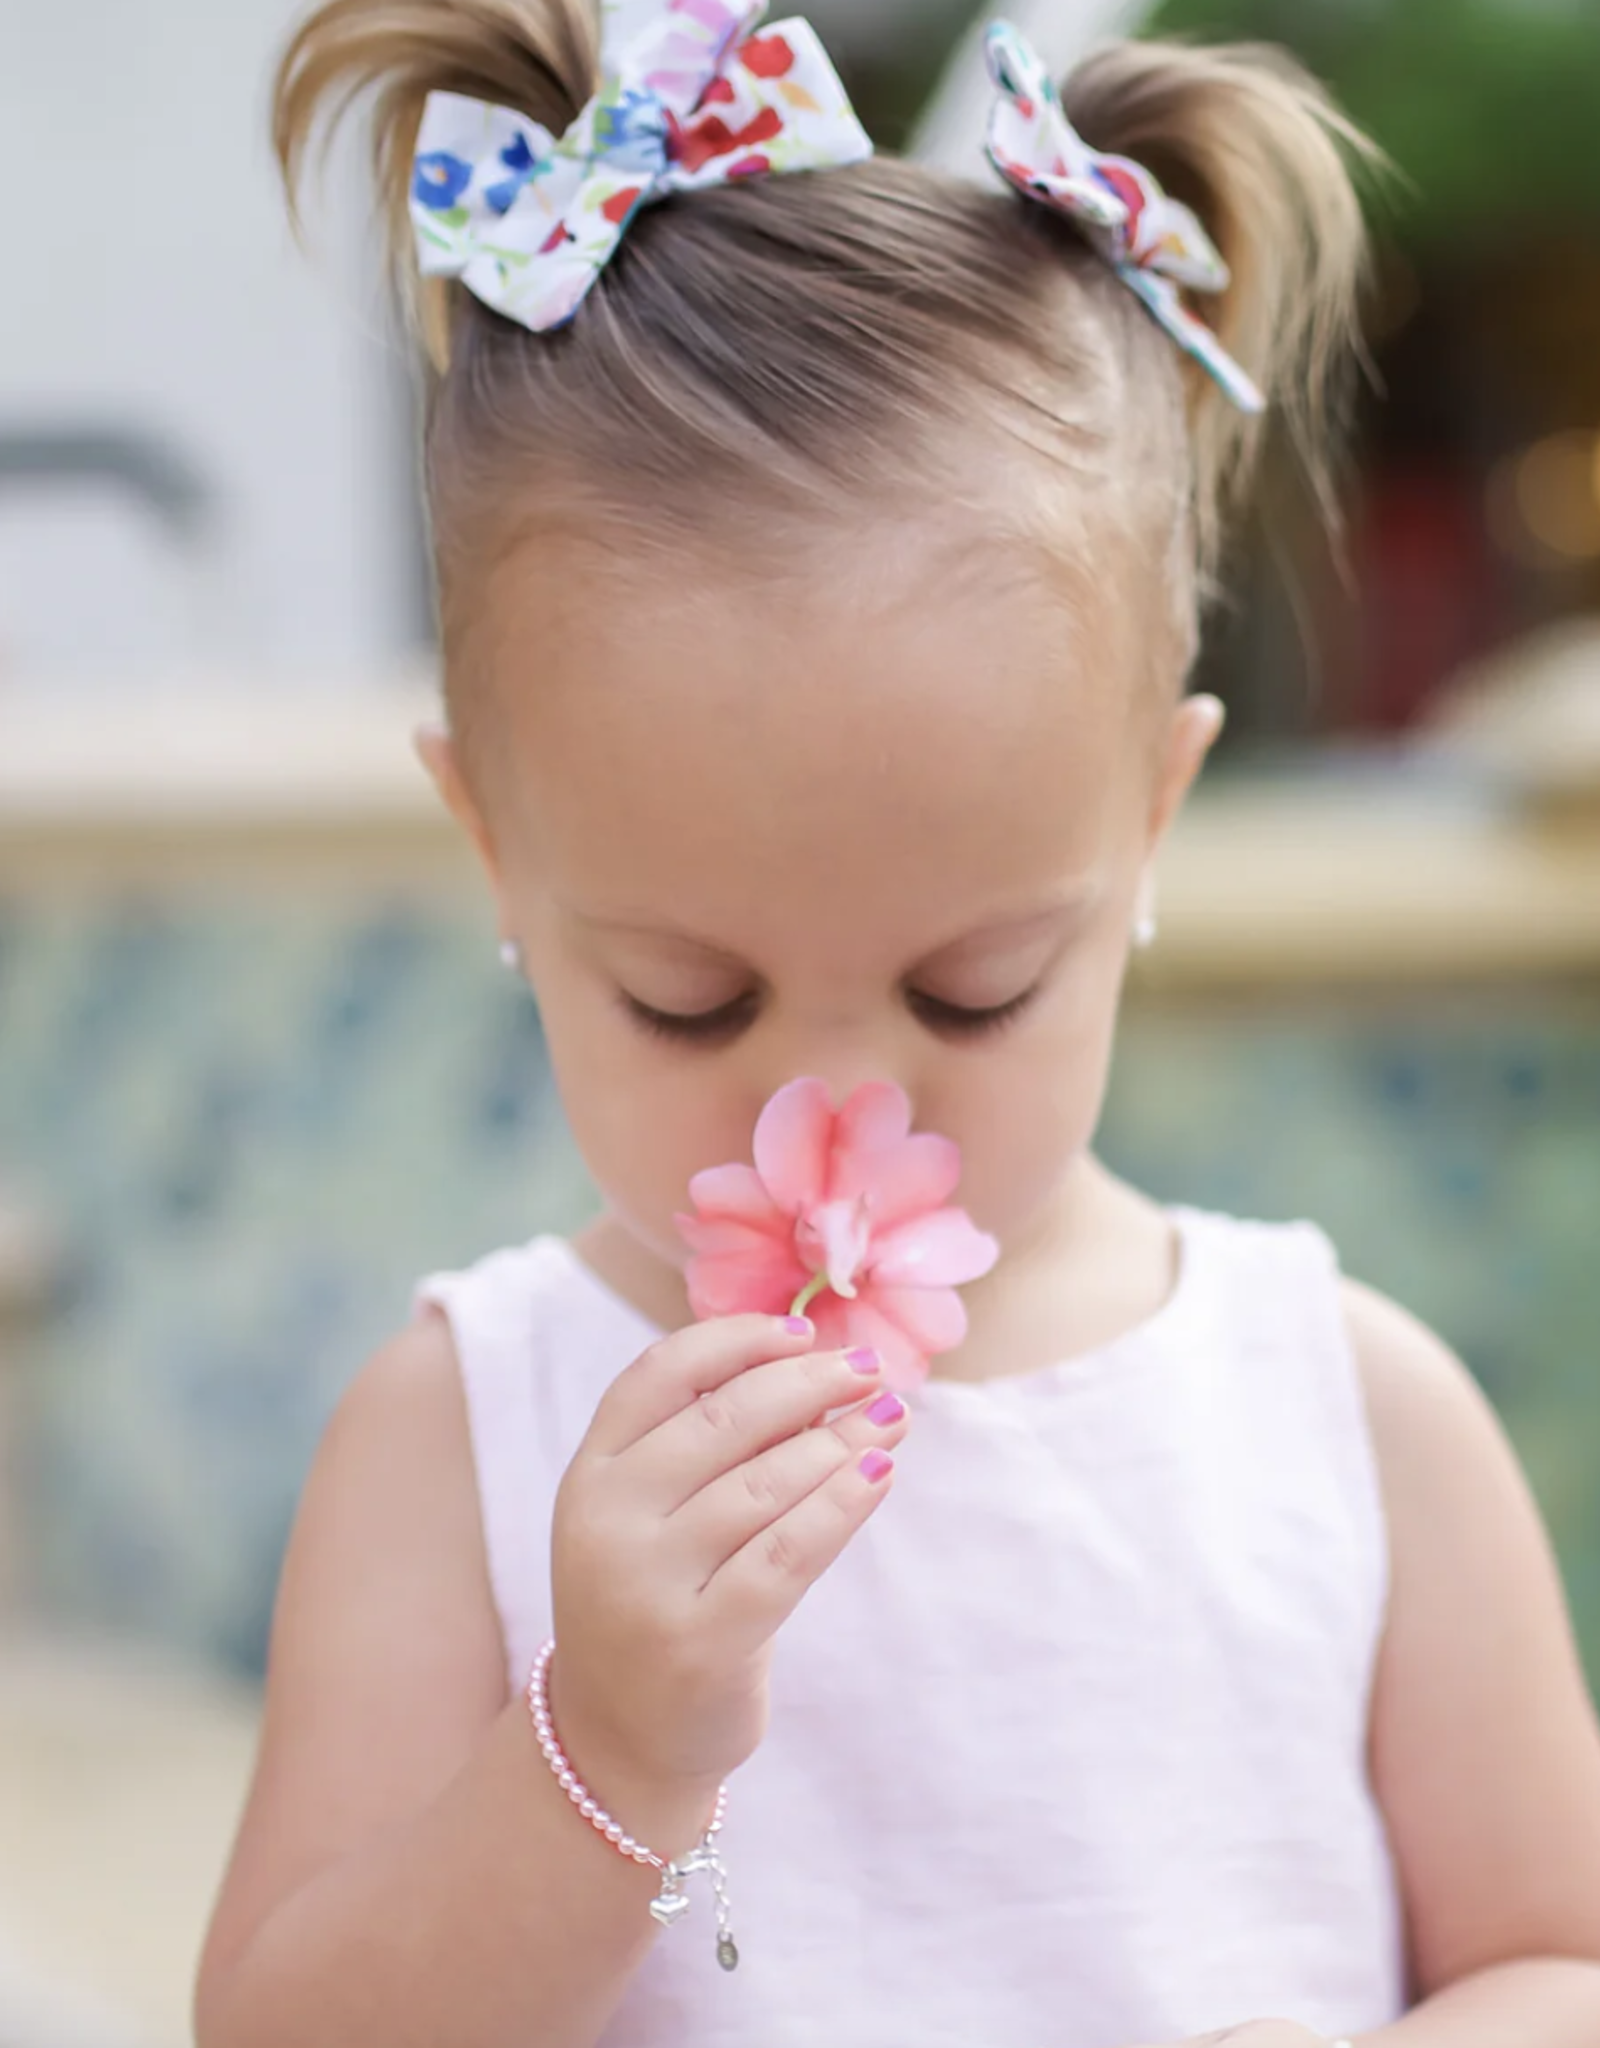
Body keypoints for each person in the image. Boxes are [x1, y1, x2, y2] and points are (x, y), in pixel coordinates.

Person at [194, 3, 1600, 2044]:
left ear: (1145, 823)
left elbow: (1555, 1962)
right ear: (492, 851)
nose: (826, 1102)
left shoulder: (1348, 1418)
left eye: (973, 984)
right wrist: (602, 1747)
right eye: (688, 997)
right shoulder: (465, 1437)